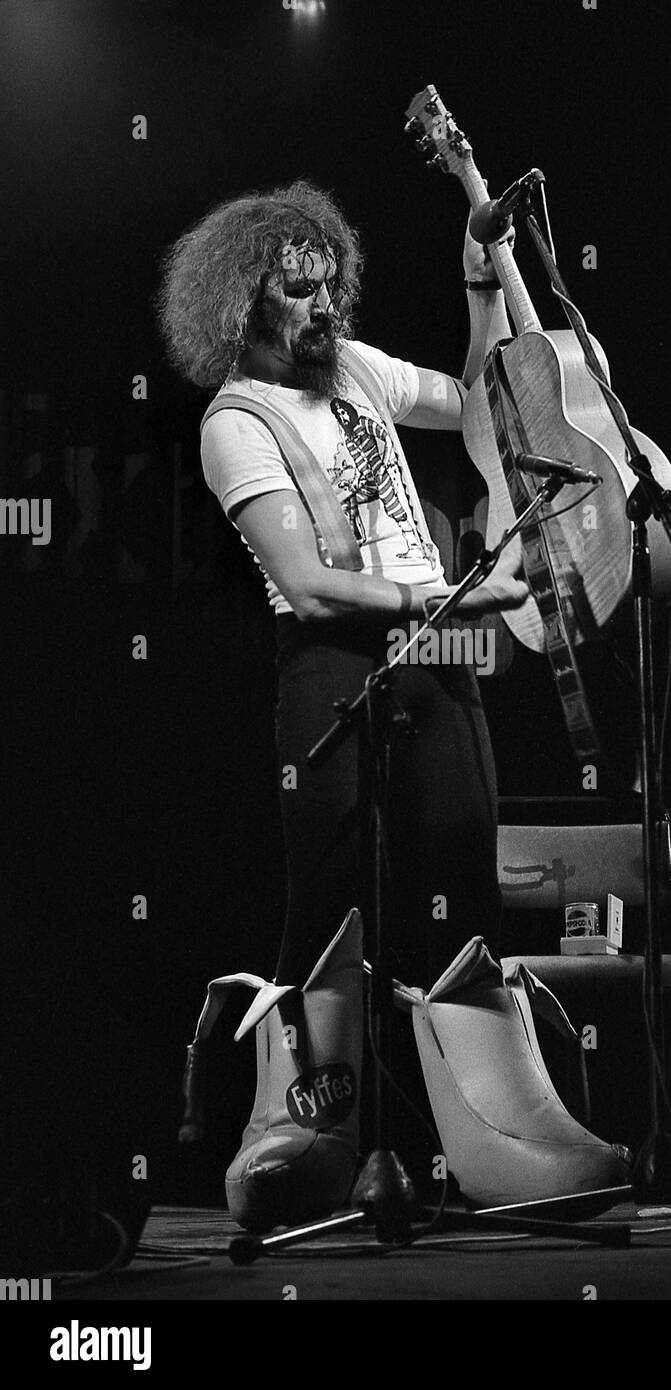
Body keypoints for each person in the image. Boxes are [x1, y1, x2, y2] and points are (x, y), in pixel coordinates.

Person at [157, 178, 527, 998]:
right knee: (331, 898)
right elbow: (311, 587)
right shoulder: (239, 422)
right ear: (242, 305)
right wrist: (446, 601)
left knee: (465, 886)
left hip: (436, 647)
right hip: (333, 665)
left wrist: (481, 286)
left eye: (330, 284)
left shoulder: (356, 367)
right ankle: (296, 1109)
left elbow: (475, 407)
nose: (324, 305)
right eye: (299, 288)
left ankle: (476, 1108)